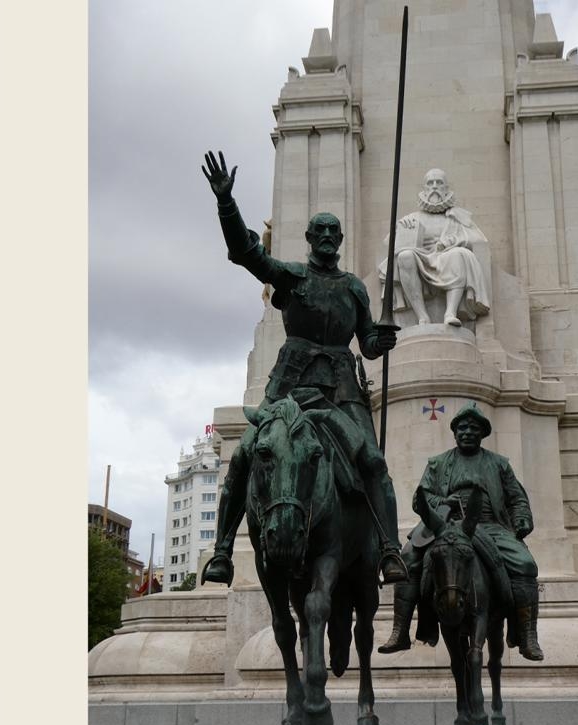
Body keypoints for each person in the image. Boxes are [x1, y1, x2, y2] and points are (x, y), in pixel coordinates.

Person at [197, 151, 407, 585]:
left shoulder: (353, 288)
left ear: (341, 238)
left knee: (372, 462)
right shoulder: (291, 276)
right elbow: (246, 253)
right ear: (309, 237)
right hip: (290, 385)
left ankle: (389, 550)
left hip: (342, 388)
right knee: (246, 454)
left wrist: (379, 341)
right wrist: (226, 205)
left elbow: (365, 344)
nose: (328, 236)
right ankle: (221, 552)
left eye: (334, 231)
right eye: (320, 231)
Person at [378, 402, 544, 660]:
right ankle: (400, 631)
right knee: (409, 558)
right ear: (454, 433)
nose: (467, 432)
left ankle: (527, 635)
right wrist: (444, 503)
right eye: (462, 428)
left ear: (482, 433)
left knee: (525, 565)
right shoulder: (438, 463)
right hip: (445, 525)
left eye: (473, 428)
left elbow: (517, 498)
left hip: (490, 526)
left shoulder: (499, 464)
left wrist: (521, 519)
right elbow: (419, 498)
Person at [377, 169, 492, 327]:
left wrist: (456, 240)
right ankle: (422, 316)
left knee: (460, 254)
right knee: (404, 256)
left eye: (439, 183)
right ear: (424, 189)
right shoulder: (412, 218)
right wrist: (401, 230)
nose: (435, 186)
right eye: (430, 183)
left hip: (446, 257)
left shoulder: (456, 216)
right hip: (421, 257)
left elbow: (478, 240)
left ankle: (450, 313)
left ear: (446, 189)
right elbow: (388, 244)